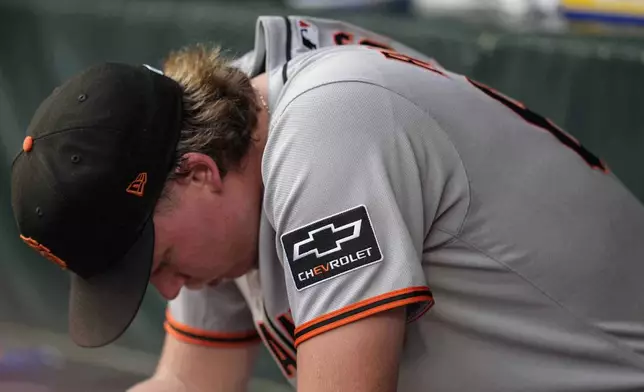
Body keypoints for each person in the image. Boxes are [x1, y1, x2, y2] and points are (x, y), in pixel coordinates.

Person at [10, 14, 644, 392]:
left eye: (161, 260)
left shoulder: (326, 128)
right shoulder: (213, 152)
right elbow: (188, 383)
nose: (171, 290)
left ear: (198, 174)